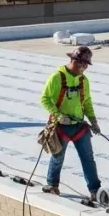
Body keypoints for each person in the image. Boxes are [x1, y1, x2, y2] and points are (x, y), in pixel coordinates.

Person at [39, 46, 102, 197]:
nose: (85, 68)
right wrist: (58, 115)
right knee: (57, 157)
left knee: (88, 159)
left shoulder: (83, 80)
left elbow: (87, 102)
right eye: (83, 64)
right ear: (74, 61)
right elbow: (45, 99)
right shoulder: (57, 77)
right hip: (61, 127)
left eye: (87, 65)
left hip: (79, 126)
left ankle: (95, 190)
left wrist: (93, 121)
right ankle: (52, 184)